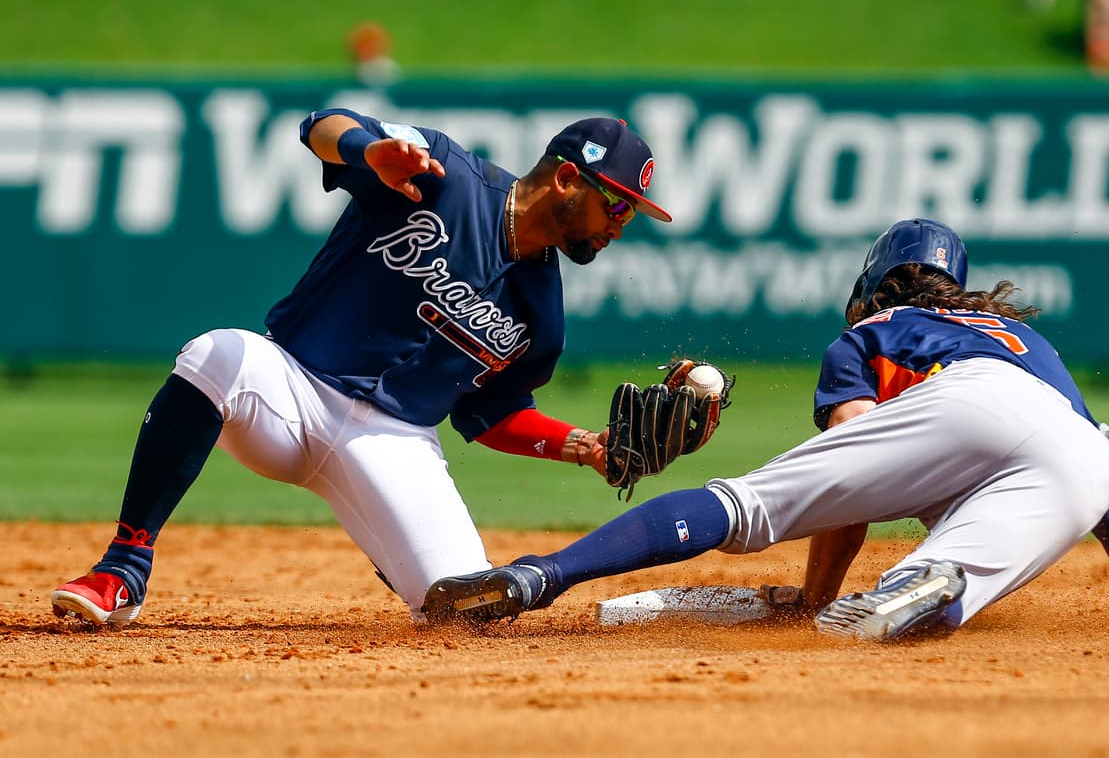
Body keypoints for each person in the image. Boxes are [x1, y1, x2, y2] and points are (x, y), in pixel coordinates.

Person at [425, 218, 1109, 641]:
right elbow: (1108, 501)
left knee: (743, 506)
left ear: (871, 284)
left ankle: (539, 578)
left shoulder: (872, 332)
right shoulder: (1030, 342)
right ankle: (933, 585)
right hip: (1081, 460)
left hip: (963, 406)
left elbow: (856, 473)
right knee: (940, 590)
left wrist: (814, 596)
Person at [51, 108, 673, 627]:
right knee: (217, 353)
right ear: (567, 179)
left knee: (467, 610)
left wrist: (586, 447)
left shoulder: (543, 312)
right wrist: (368, 148)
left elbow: (492, 415)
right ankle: (124, 567)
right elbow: (320, 125)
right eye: (617, 206)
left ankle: (391, 537)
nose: (620, 227)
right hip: (291, 392)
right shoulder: (441, 172)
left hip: (395, 444)